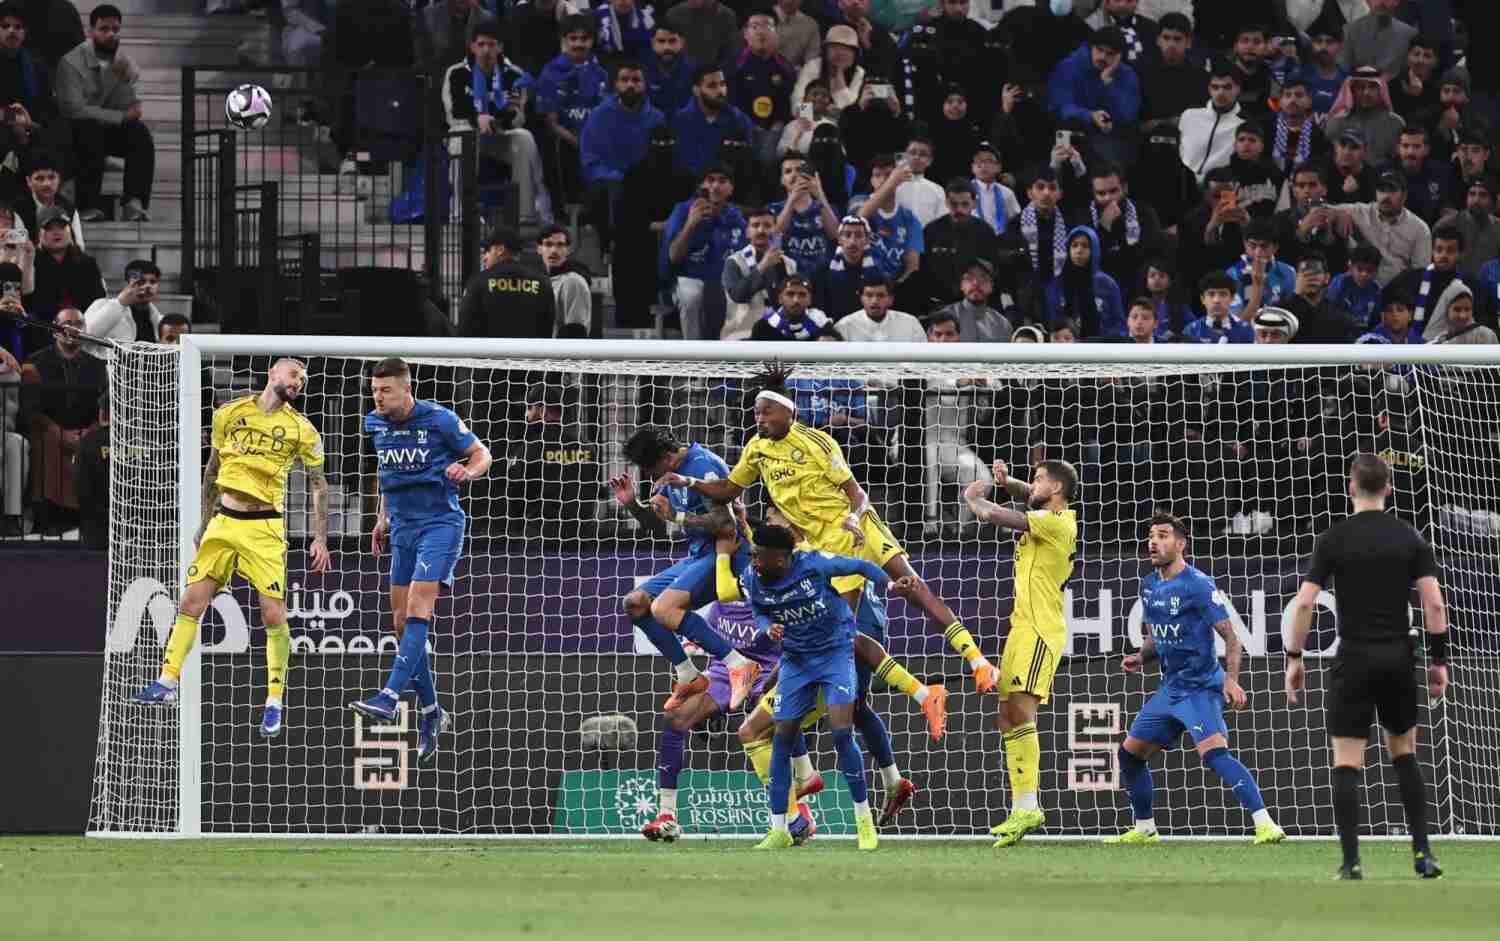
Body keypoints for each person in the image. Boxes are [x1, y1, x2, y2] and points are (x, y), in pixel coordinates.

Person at [659, 362, 1000, 691]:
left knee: (915, 590)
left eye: (766, 412)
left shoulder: (818, 443)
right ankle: (895, 693)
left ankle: (978, 662)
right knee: (841, 632)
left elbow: (857, 493)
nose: (759, 419)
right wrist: (687, 481)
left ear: (788, 412)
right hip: (822, 546)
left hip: (859, 528)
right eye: (756, 413)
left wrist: (853, 517)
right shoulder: (756, 450)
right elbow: (728, 489)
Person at [130, 358, 332, 740]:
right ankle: (167, 681)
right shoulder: (229, 413)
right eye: (294, 374)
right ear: (273, 373)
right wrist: (205, 521)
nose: (299, 382)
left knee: (273, 614)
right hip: (224, 520)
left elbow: (319, 484)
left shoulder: (302, 429)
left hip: (265, 527)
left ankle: (274, 701)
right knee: (191, 602)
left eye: (304, 380)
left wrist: (320, 538)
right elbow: (212, 469)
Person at [1285, 453, 1448, 880]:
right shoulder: (1410, 537)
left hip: (1354, 658)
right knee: (1404, 755)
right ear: (1389, 488)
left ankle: (1351, 862)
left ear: (1352, 487)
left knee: (1346, 762)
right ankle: (1422, 856)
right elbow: (1433, 604)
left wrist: (1295, 658)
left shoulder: (1333, 539)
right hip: (1398, 658)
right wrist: (1439, 661)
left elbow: (1304, 603)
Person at [1108, 512, 1286, 845]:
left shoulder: (1198, 584)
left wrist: (1230, 681)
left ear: (1180, 544)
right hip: (1170, 689)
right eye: (1151, 536)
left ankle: (1266, 824)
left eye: (1163, 535)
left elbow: (1232, 638)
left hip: (1201, 687)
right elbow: (1154, 636)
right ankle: (1145, 829)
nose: (1153, 542)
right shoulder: (1149, 586)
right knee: (1129, 755)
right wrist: (1141, 655)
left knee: (1215, 756)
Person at [352, 358, 491, 765]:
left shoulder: (439, 418)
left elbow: (482, 454)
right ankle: (432, 711)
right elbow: (385, 472)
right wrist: (382, 517)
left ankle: (390, 696)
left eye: (385, 391)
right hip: (403, 529)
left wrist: (468, 471)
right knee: (399, 623)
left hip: (439, 525)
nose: (378, 397)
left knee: (418, 608)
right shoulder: (373, 424)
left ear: (405, 389)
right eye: (374, 391)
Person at [728, 521, 895, 850]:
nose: (754, 561)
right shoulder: (752, 576)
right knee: (782, 737)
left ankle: (864, 824)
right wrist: (766, 627)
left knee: (842, 732)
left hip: (835, 655)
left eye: (759, 556)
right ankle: (779, 828)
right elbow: (759, 611)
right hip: (795, 662)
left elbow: (861, 565)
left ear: (780, 558)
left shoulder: (813, 564)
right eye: (753, 555)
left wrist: (890, 583)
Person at [962, 456, 1079, 847]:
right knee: (1007, 715)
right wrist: (1008, 480)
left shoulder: (1058, 522)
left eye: (1039, 478)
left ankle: (1028, 806)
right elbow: (1029, 495)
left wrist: (974, 498)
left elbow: (1002, 516)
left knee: (1022, 713)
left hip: (1041, 631)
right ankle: (1020, 808)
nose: (1033, 484)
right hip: (1020, 628)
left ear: (1057, 489)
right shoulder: (1045, 511)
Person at [611, 425, 763, 709]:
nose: (647, 474)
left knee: (664, 609)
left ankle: (741, 665)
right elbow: (658, 525)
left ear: (668, 456)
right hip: (697, 556)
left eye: (649, 466)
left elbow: (725, 526)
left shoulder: (703, 466)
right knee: (635, 603)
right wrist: (632, 504)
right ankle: (688, 674)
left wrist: (677, 516)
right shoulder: (671, 472)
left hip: (727, 555)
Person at [441, 20, 553, 226]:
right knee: (461, 138)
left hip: (500, 135)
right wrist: (478, 119)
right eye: (481, 44)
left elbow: (519, 119)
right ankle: (461, 214)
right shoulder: (456, 73)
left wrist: (502, 119)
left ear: (500, 47)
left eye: (491, 44)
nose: (486, 50)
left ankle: (526, 214)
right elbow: (453, 114)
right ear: (472, 46)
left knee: (525, 138)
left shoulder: (514, 74)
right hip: (468, 134)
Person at [53, 4, 152, 221]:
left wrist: (122, 82)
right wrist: (118, 116)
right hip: (72, 131)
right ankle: (86, 205)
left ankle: (133, 202)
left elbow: (131, 108)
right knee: (90, 130)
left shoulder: (122, 62)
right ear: (91, 31)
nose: (111, 35)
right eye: (104, 29)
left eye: (115, 29)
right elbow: (73, 109)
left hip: (104, 127)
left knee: (140, 134)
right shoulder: (71, 62)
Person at [19, 304, 100, 533]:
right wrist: (59, 432)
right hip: (47, 429)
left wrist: (89, 431)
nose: (73, 329)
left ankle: (88, 519)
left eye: (78, 324)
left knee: (98, 444)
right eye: (67, 324)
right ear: (55, 330)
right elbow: (30, 409)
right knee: (47, 442)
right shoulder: (34, 363)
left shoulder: (98, 366)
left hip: (87, 430)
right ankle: (51, 518)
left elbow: (103, 407)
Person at [661, 162, 745, 339]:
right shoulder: (683, 211)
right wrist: (691, 224)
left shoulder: (736, 217)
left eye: (722, 181)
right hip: (689, 277)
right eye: (710, 180)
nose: (715, 186)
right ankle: (694, 354)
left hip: (723, 279)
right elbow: (673, 256)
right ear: (701, 186)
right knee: (692, 296)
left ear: (731, 189)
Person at [0, 2, 70, 206]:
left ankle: (54, 203)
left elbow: (48, 109)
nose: (12, 31)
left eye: (18, 27)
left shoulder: (35, 66)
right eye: (5, 26)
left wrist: (30, 125)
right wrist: (14, 119)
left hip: (30, 130)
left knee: (62, 131)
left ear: (25, 32)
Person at [536, 15, 609, 205]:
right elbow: (551, 123)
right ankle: (567, 215)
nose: (578, 44)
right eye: (573, 39)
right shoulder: (550, 72)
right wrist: (577, 140)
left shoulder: (602, 73)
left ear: (592, 41)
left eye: (584, 39)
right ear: (564, 40)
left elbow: (607, 117)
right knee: (561, 147)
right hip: (566, 140)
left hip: (596, 141)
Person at [1328, 171, 1433, 285]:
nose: (1386, 196)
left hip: (1395, 292)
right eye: (1382, 190)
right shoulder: (1360, 212)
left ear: (1404, 195)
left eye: (1392, 190)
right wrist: (1337, 213)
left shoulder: (1420, 229)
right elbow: (1318, 209)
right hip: (1356, 288)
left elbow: (1420, 274)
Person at [457, 225, 557, 338]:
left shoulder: (478, 283)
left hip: (489, 353)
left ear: (500, 250)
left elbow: (465, 329)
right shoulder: (543, 283)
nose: (485, 257)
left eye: (487, 251)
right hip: (528, 354)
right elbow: (547, 329)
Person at [722, 205, 794, 340]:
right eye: (755, 225)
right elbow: (739, 295)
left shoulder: (789, 263)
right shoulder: (733, 262)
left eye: (767, 225)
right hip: (742, 332)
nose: (761, 230)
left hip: (780, 333)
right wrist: (763, 266)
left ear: (776, 231)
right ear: (747, 232)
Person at [670, 64, 753, 178]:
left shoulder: (740, 120)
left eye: (722, 84)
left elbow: (747, 166)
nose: (720, 91)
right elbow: (678, 165)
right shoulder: (680, 121)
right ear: (696, 90)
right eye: (712, 86)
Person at [851, 155, 923, 286]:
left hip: (893, 288)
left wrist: (894, 289)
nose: (884, 179)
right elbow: (856, 220)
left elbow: (912, 267)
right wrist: (890, 183)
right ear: (871, 180)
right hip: (860, 284)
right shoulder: (858, 201)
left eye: (889, 175)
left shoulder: (910, 219)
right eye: (878, 175)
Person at [1043, 226, 1125, 339]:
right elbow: (1051, 320)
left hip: (1100, 349)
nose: (1079, 250)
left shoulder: (1107, 284)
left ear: (1094, 249)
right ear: (1068, 249)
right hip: (1065, 347)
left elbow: (1118, 323)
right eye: (1074, 245)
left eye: (1085, 246)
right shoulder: (1057, 283)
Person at [1178, 65, 1243, 183]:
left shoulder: (1244, 124)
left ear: (1237, 89)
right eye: (1215, 87)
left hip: (1220, 188)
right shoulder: (1189, 115)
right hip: (1182, 184)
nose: (1220, 92)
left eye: (1227, 87)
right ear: (1209, 89)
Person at [812, 214, 880, 320]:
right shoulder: (823, 271)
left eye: (858, 235)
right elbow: (817, 309)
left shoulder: (878, 273)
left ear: (867, 239)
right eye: (847, 235)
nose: (852, 242)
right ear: (839, 239)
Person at [81, 256, 158, 349]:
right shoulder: (101, 305)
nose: (147, 286)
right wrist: (120, 303)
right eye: (141, 282)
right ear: (127, 284)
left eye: (153, 282)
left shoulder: (158, 318)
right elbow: (84, 340)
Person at [790, 24, 863, 117]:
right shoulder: (813, 66)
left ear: (855, 55)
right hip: (810, 124)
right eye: (835, 47)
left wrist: (840, 79)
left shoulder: (859, 73)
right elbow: (795, 106)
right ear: (825, 50)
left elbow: (849, 113)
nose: (840, 53)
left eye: (847, 49)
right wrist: (822, 113)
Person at [1339, 0, 1417, 79]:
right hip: (1358, 88)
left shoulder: (1409, 34)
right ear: (1367, 1)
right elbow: (1342, 70)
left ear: (1396, 1)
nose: (1381, 2)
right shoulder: (1349, 31)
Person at [537, 225, 591, 338]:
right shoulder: (541, 279)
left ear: (568, 250)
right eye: (548, 244)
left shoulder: (573, 282)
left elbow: (575, 331)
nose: (554, 250)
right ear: (539, 249)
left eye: (560, 245)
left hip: (561, 353)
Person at [836, 275, 924, 341]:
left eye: (881, 295)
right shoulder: (845, 326)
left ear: (891, 299)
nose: (874, 301)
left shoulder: (910, 323)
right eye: (869, 295)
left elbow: (923, 359)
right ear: (861, 299)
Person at [663, 0, 736, 70]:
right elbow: (666, 53)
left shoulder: (726, 16)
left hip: (711, 74)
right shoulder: (673, 15)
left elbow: (730, 54)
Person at [1184, 270, 1253, 343]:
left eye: (1223, 294)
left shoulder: (1244, 330)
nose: (1216, 300)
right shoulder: (1191, 331)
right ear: (1203, 299)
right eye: (1211, 294)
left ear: (1232, 299)